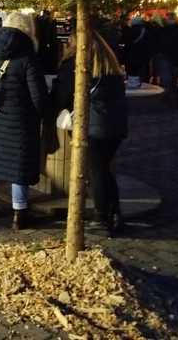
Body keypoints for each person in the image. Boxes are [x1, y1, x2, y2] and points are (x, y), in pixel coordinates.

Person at [0, 12, 47, 230]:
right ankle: (19, 214)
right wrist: (42, 113)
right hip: (20, 122)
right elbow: (38, 96)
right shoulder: (27, 56)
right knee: (18, 167)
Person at [55, 30, 128, 236]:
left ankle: (101, 217)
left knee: (96, 172)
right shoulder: (109, 65)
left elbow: (63, 95)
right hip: (115, 127)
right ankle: (114, 212)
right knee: (104, 169)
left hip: (93, 127)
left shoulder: (77, 65)